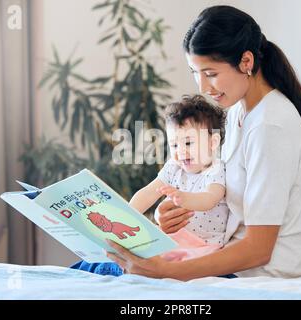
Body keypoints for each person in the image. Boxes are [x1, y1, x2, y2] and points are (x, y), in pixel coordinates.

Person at [102, 5, 301, 280]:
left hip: (258, 274)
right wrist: (172, 217)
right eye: (195, 72)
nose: (202, 87)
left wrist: (170, 272)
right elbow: (219, 198)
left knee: (109, 270)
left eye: (211, 73)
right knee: (108, 265)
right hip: (228, 261)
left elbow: (259, 250)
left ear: (246, 62)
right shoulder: (239, 113)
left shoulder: (270, 127)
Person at [71, 95, 237, 276]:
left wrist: (184, 198)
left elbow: (210, 199)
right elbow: (148, 193)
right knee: (123, 255)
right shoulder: (174, 167)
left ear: (212, 143)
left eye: (188, 143)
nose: (180, 151)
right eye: (174, 144)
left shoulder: (216, 169)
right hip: (173, 240)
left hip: (203, 246)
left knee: (149, 262)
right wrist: (126, 213)